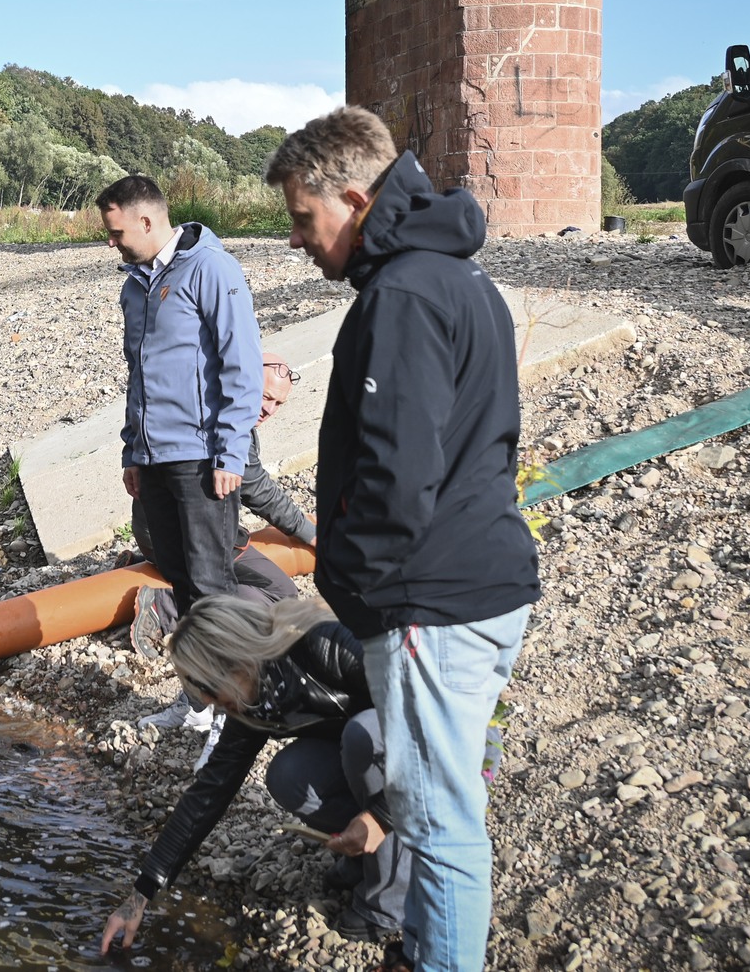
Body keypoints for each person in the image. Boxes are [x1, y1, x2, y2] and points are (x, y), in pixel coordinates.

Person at [263, 107, 539, 972]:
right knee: (439, 807)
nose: (297, 239)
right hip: (481, 584)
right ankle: (422, 947)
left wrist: (351, 582)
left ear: (352, 198)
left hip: (432, 600)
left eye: (302, 217)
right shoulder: (457, 278)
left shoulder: (403, 296)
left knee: (439, 823)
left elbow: (395, 476)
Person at [98, 596, 411, 956]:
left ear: (236, 661)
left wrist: (381, 817)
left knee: (362, 736)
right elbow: (209, 790)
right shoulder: (254, 698)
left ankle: (388, 901)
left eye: (209, 689)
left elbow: (424, 722)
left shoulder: (324, 643)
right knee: (288, 775)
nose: (210, 703)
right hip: (374, 761)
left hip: (431, 754)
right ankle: (372, 853)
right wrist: (141, 894)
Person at [98, 173, 265, 739]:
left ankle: (235, 715)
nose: (111, 243)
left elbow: (242, 365)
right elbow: (137, 375)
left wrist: (231, 454)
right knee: (183, 583)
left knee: (212, 587)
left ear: (147, 220)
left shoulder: (212, 269)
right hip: (153, 459)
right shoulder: (133, 286)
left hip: (202, 460)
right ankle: (199, 701)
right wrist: (132, 450)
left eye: (117, 232)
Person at [129, 354, 314, 657]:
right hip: (191, 535)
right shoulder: (229, 425)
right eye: (266, 396)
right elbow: (259, 491)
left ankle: (144, 565)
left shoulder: (198, 398)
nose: (269, 409)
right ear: (245, 381)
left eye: (278, 403)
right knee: (281, 595)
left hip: (157, 530)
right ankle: (165, 607)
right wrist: (311, 533)